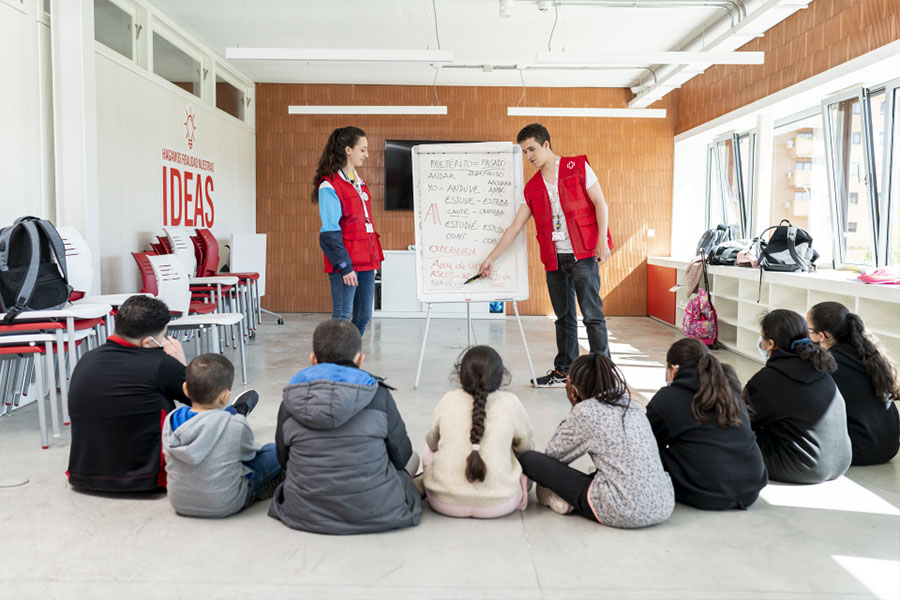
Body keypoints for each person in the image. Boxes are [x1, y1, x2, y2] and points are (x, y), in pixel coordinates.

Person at [479, 123, 613, 386]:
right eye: (524, 151)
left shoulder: (577, 167)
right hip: (555, 259)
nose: (529, 156)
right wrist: (491, 257)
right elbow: (516, 226)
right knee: (563, 319)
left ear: (546, 145)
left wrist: (602, 242)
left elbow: (600, 203)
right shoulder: (531, 187)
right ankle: (564, 371)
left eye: (532, 149)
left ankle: (602, 373)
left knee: (592, 315)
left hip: (583, 254)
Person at [269, 318, 421, 534]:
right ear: (360, 360)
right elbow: (402, 455)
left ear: (313, 360)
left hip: (303, 511)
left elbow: (283, 460)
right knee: (414, 457)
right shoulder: (379, 395)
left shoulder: (291, 399)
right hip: (376, 509)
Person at [518, 353, 674, 528]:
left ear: (573, 387)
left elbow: (553, 456)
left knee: (529, 459)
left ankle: (564, 500)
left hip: (623, 510)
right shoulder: (631, 405)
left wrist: (575, 406)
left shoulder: (586, 411)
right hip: (663, 503)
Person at [67, 295, 190, 492]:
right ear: (147, 342)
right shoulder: (162, 363)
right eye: (162, 337)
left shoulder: (86, 359)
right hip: (144, 479)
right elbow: (204, 400)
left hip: (82, 476)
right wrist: (181, 365)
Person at [646, 339, 768, 510]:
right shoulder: (730, 389)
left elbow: (647, 443)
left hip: (707, 492)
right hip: (751, 486)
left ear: (673, 369)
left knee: (648, 450)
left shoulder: (667, 397)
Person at [162, 353, 282, 518]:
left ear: (185, 389)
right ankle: (261, 489)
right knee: (274, 451)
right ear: (226, 397)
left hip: (179, 502)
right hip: (225, 503)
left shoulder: (171, 420)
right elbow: (248, 456)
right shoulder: (234, 424)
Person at [423, 346, 534, 518]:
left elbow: (432, 442)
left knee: (428, 450)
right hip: (501, 504)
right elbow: (526, 447)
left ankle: (432, 483)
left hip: (443, 502)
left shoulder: (448, 399)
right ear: (501, 378)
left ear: (460, 377)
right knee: (526, 459)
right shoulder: (511, 403)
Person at [744, 309, 852, 484]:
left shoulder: (768, 379)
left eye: (762, 337)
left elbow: (739, 419)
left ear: (771, 344)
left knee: (735, 436)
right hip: (841, 462)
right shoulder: (820, 368)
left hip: (802, 467)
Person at [807, 302, 900, 465]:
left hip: (861, 449)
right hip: (890, 446)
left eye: (808, 329)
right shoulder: (869, 353)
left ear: (821, 335)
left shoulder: (830, 363)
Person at [312, 126, 383, 336]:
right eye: (363, 150)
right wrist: (344, 266)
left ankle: (349, 359)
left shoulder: (359, 182)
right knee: (342, 318)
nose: (367, 155)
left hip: (367, 260)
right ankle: (337, 363)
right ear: (348, 150)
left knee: (363, 316)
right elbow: (329, 234)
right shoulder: (330, 185)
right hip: (347, 262)